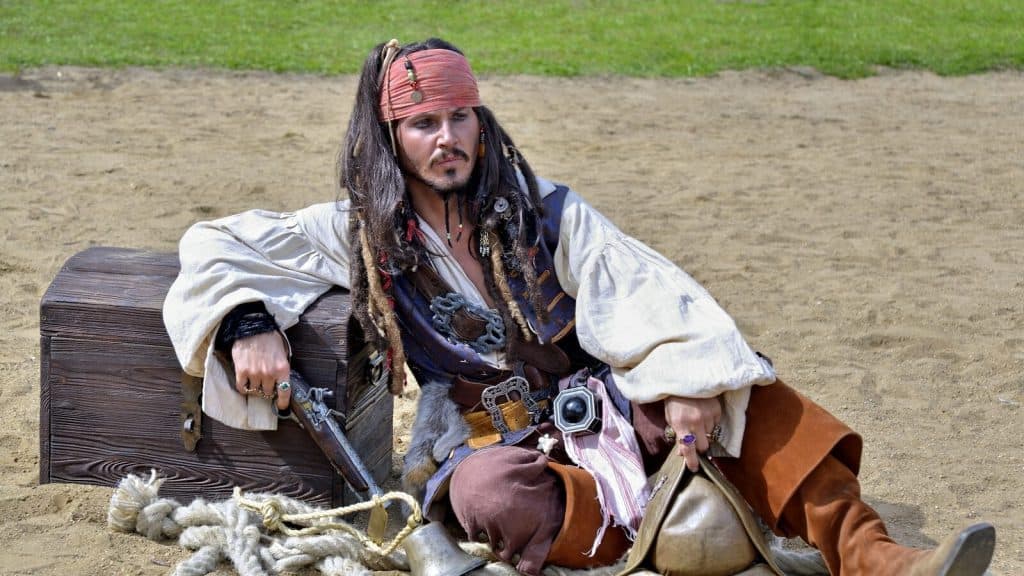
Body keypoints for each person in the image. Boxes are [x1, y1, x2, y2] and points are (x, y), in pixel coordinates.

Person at [163, 38, 995, 576]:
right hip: (490, 435)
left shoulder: (546, 211)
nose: (447, 138)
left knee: (753, 397)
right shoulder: (359, 233)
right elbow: (217, 244)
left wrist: (687, 381)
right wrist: (247, 323)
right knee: (489, 497)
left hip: (610, 403)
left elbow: (645, 291)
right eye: (423, 124)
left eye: (460, 117)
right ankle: (654, 539)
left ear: (480, 122)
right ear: (390, 139)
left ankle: (877, 559)